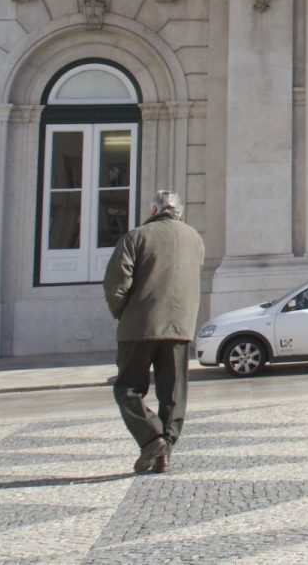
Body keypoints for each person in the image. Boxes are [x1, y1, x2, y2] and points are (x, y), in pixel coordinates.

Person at [103, 189, 206, 475]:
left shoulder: (136, 237)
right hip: (180, 328)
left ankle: (153, 439)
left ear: (153, 210)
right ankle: (164, 453)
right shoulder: (195, 239)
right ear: (179, 212)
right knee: (173, 393)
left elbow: (116, 284)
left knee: (127, 389)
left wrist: (121, 312)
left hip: (140, 326)